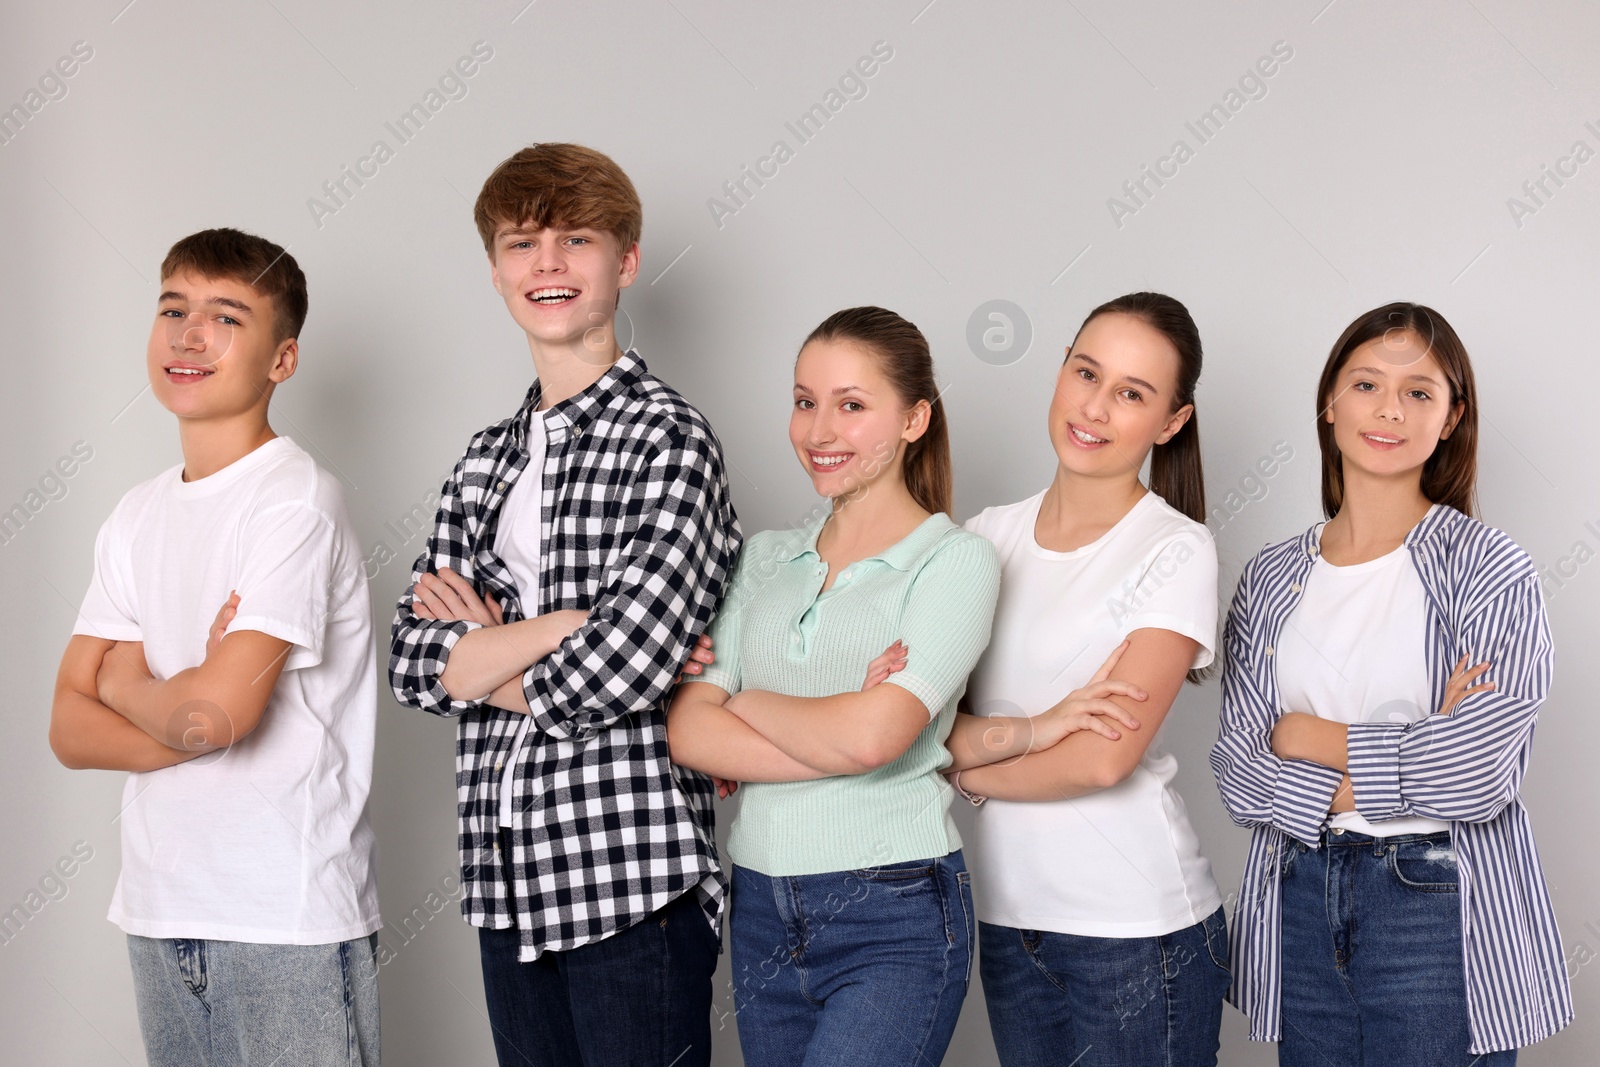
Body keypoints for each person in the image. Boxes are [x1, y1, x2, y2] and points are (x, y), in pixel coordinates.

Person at [387, 143, 740, 1067]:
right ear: (498, 270)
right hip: (506, 874)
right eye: (520, 242)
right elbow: (411, 661)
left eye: (573, 239)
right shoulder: (484, 458)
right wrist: (555, 627)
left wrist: (486, 651)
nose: (546, 263)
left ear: (624, 262)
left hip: (628, 875)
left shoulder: (668, 438)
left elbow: (622, 665)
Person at [50, 228, 382, 1065]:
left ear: (283, 360)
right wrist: (184, 699)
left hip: (283, 919)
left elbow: (217, 716)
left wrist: (126, 682)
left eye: (226, 317)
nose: (187, 335)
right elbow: (67, 728)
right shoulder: (135, 512)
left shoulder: (295, 503)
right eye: (173, 308)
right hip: (160, 911)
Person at [1211, 303, 1572, 1064]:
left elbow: (1478, 772)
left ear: (1451, 418)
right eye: (1368, 382)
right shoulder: (1271, 577)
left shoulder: (1487, 567)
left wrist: (1310, 739)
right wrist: (1415, 746)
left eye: (1419, 392)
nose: (1389, 408)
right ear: (1330, 403)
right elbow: (1241, 774)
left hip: (1432, 903)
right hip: (1301, 890)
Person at [666, 306, 1000, 1066]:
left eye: (852, 405)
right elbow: (689, 732)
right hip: (759, 903)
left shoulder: (954, 561)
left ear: (914, 418)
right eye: (804, 401)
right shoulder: (764, 558)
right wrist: (845, 723)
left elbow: (874, 735)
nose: (819, 431)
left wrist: (743, 700)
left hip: (893, 906)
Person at [945, 292, 1229, 1066]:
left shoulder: (1174, 549)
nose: (1095, 408)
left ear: (1171, 421)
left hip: (1136, 931)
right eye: (1086, 373)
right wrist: (1030, 733)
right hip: (1011, 922)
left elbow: (1104, 759)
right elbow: (921, 722)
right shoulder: (983, 538)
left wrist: (968, 769)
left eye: (1132, 393)